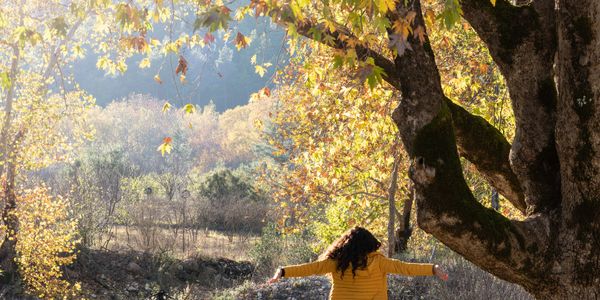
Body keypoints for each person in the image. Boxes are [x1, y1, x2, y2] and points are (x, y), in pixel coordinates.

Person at [267, 226, 449, 300]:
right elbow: (406, 268)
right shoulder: (379, 262)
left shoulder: (336, 262)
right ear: (370, 245)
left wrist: (282, 271)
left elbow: (309, 269)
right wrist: (433, 268)